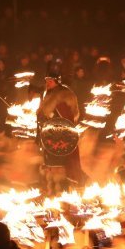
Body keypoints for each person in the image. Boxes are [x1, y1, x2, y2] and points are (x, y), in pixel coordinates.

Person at [36, 62, 86, 191]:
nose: (48, 83)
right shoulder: (47, 94)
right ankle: (51, 193)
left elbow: (67, 120)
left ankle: (61, 193)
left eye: (50, 81)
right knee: (50, 168)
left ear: (56, 81)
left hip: (60, 140)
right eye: (46, 80)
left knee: (60, 170)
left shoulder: (63, 95)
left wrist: (51, 115)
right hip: (49, 139)